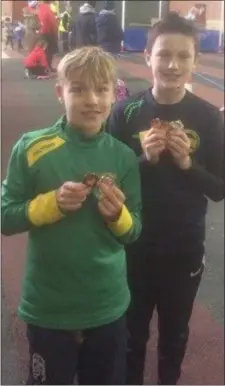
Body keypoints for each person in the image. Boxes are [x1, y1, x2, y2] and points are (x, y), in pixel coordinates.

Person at [1, 46, 142, 385]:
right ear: (59, 92)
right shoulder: (32, 148)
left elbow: (134, 229)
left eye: (101, 89)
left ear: (115, 93)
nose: (91, 99)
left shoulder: (123, 157)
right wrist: (50, 205)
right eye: (78, 89)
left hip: (107, 305)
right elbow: (5, 216)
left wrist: (118, 217)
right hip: (49, 307)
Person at [106, 12, 224, 385]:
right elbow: (107, 184)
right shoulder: (126, 113)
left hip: (184, 247)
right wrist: (145, 160)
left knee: (175, 336)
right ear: (147, 57)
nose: (172, 65)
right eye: (164, 54)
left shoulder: (207, 117)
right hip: (132, 244)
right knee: (130, 336)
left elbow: (220, 189)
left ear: (195, 61)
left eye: (183, 56)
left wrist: (188, 164)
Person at [38, 0, 58, 71]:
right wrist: (55, 32)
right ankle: (48, 66)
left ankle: (43, 65)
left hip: (42, 32)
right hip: (49, 32)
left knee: (44, 49)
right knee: (49, 51)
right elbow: (52, 22)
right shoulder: (48, 9)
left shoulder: (40, 9)